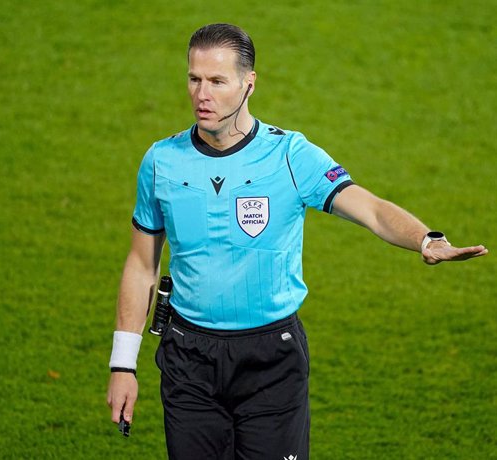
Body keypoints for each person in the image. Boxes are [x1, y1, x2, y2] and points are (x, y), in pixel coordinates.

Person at [106, 23, 487, 460]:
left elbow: (371, 208)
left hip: (271, 361)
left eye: (217, 81)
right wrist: (123, 363)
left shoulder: (290, 155)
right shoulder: (161, 162)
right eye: (194, 78)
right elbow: (141, 265)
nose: (201, 95)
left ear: (249, 84)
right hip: (188, 358)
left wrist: (424, 238)